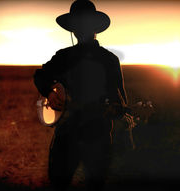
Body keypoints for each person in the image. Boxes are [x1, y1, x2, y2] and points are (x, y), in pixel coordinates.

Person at [34, 0, 134, 190]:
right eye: (78, 24)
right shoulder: (63, 57)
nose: (81, 28)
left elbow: (118, 102)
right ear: (73, 29)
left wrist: (116, 109)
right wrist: (49, 92)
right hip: (66, 136)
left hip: (97, 137)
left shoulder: (109, 60)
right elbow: (40, 76)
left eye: (85, 23)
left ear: (93, 27)